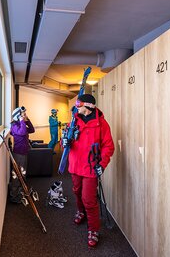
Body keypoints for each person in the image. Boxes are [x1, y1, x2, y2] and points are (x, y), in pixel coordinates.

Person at [62, 94, 115, 248]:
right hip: (75, 165)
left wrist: (102, 163)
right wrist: (64, 140)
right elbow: (66, 138)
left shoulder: (102, 124)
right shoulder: (74, 120)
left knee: (89, 199)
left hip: (90, 167)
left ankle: (93, 229)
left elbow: (108, 146)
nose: (77, 107)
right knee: (77, 192)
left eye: (79, 105)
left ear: (89, 106)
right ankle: (81, 211)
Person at [9, 106, 35, 203]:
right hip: (18, 154)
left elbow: (32, 130)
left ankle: (19, 191)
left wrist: (27, 120)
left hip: (23, 153)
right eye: (23, 114)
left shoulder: (21, 124)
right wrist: (21, 120)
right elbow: (23, 131)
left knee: (22, 173)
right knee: (17, 175)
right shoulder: (15, 126)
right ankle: (14, 195)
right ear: (18, 116)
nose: (24, 116)